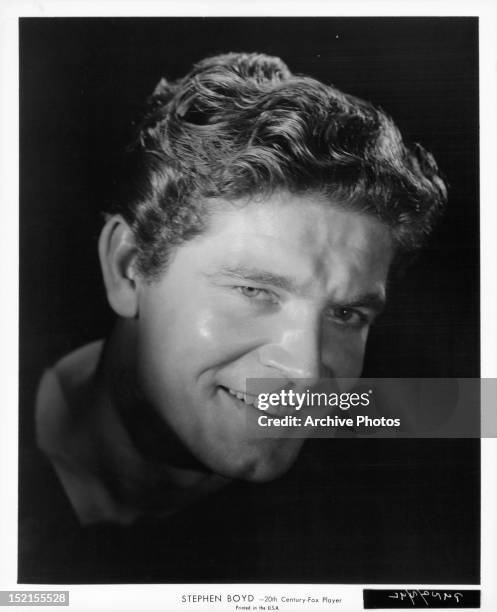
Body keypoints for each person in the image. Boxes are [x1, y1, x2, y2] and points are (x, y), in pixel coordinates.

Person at [20, 52, 449, 583]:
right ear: (128, 268)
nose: (307, 371)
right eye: (254, 290)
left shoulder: (395, 527)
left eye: (346, 313)